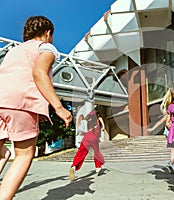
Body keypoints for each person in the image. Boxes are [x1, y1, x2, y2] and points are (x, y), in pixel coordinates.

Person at [0, 16, 72, 199]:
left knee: (2, 152)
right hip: (20, 102)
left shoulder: (14, 51)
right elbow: (39, 72)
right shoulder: (46, 47)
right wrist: (59, 107)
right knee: (24, 154)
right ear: (48, 33)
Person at [69, 110, 105, 181]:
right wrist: (103, 126)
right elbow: (101, 120)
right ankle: (98, 167)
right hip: (94, 138)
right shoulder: (97, 119)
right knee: (96, 151)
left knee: (81, 152)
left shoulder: (88, 120)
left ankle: (74, 166)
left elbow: (82, 120)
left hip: (86, 137)